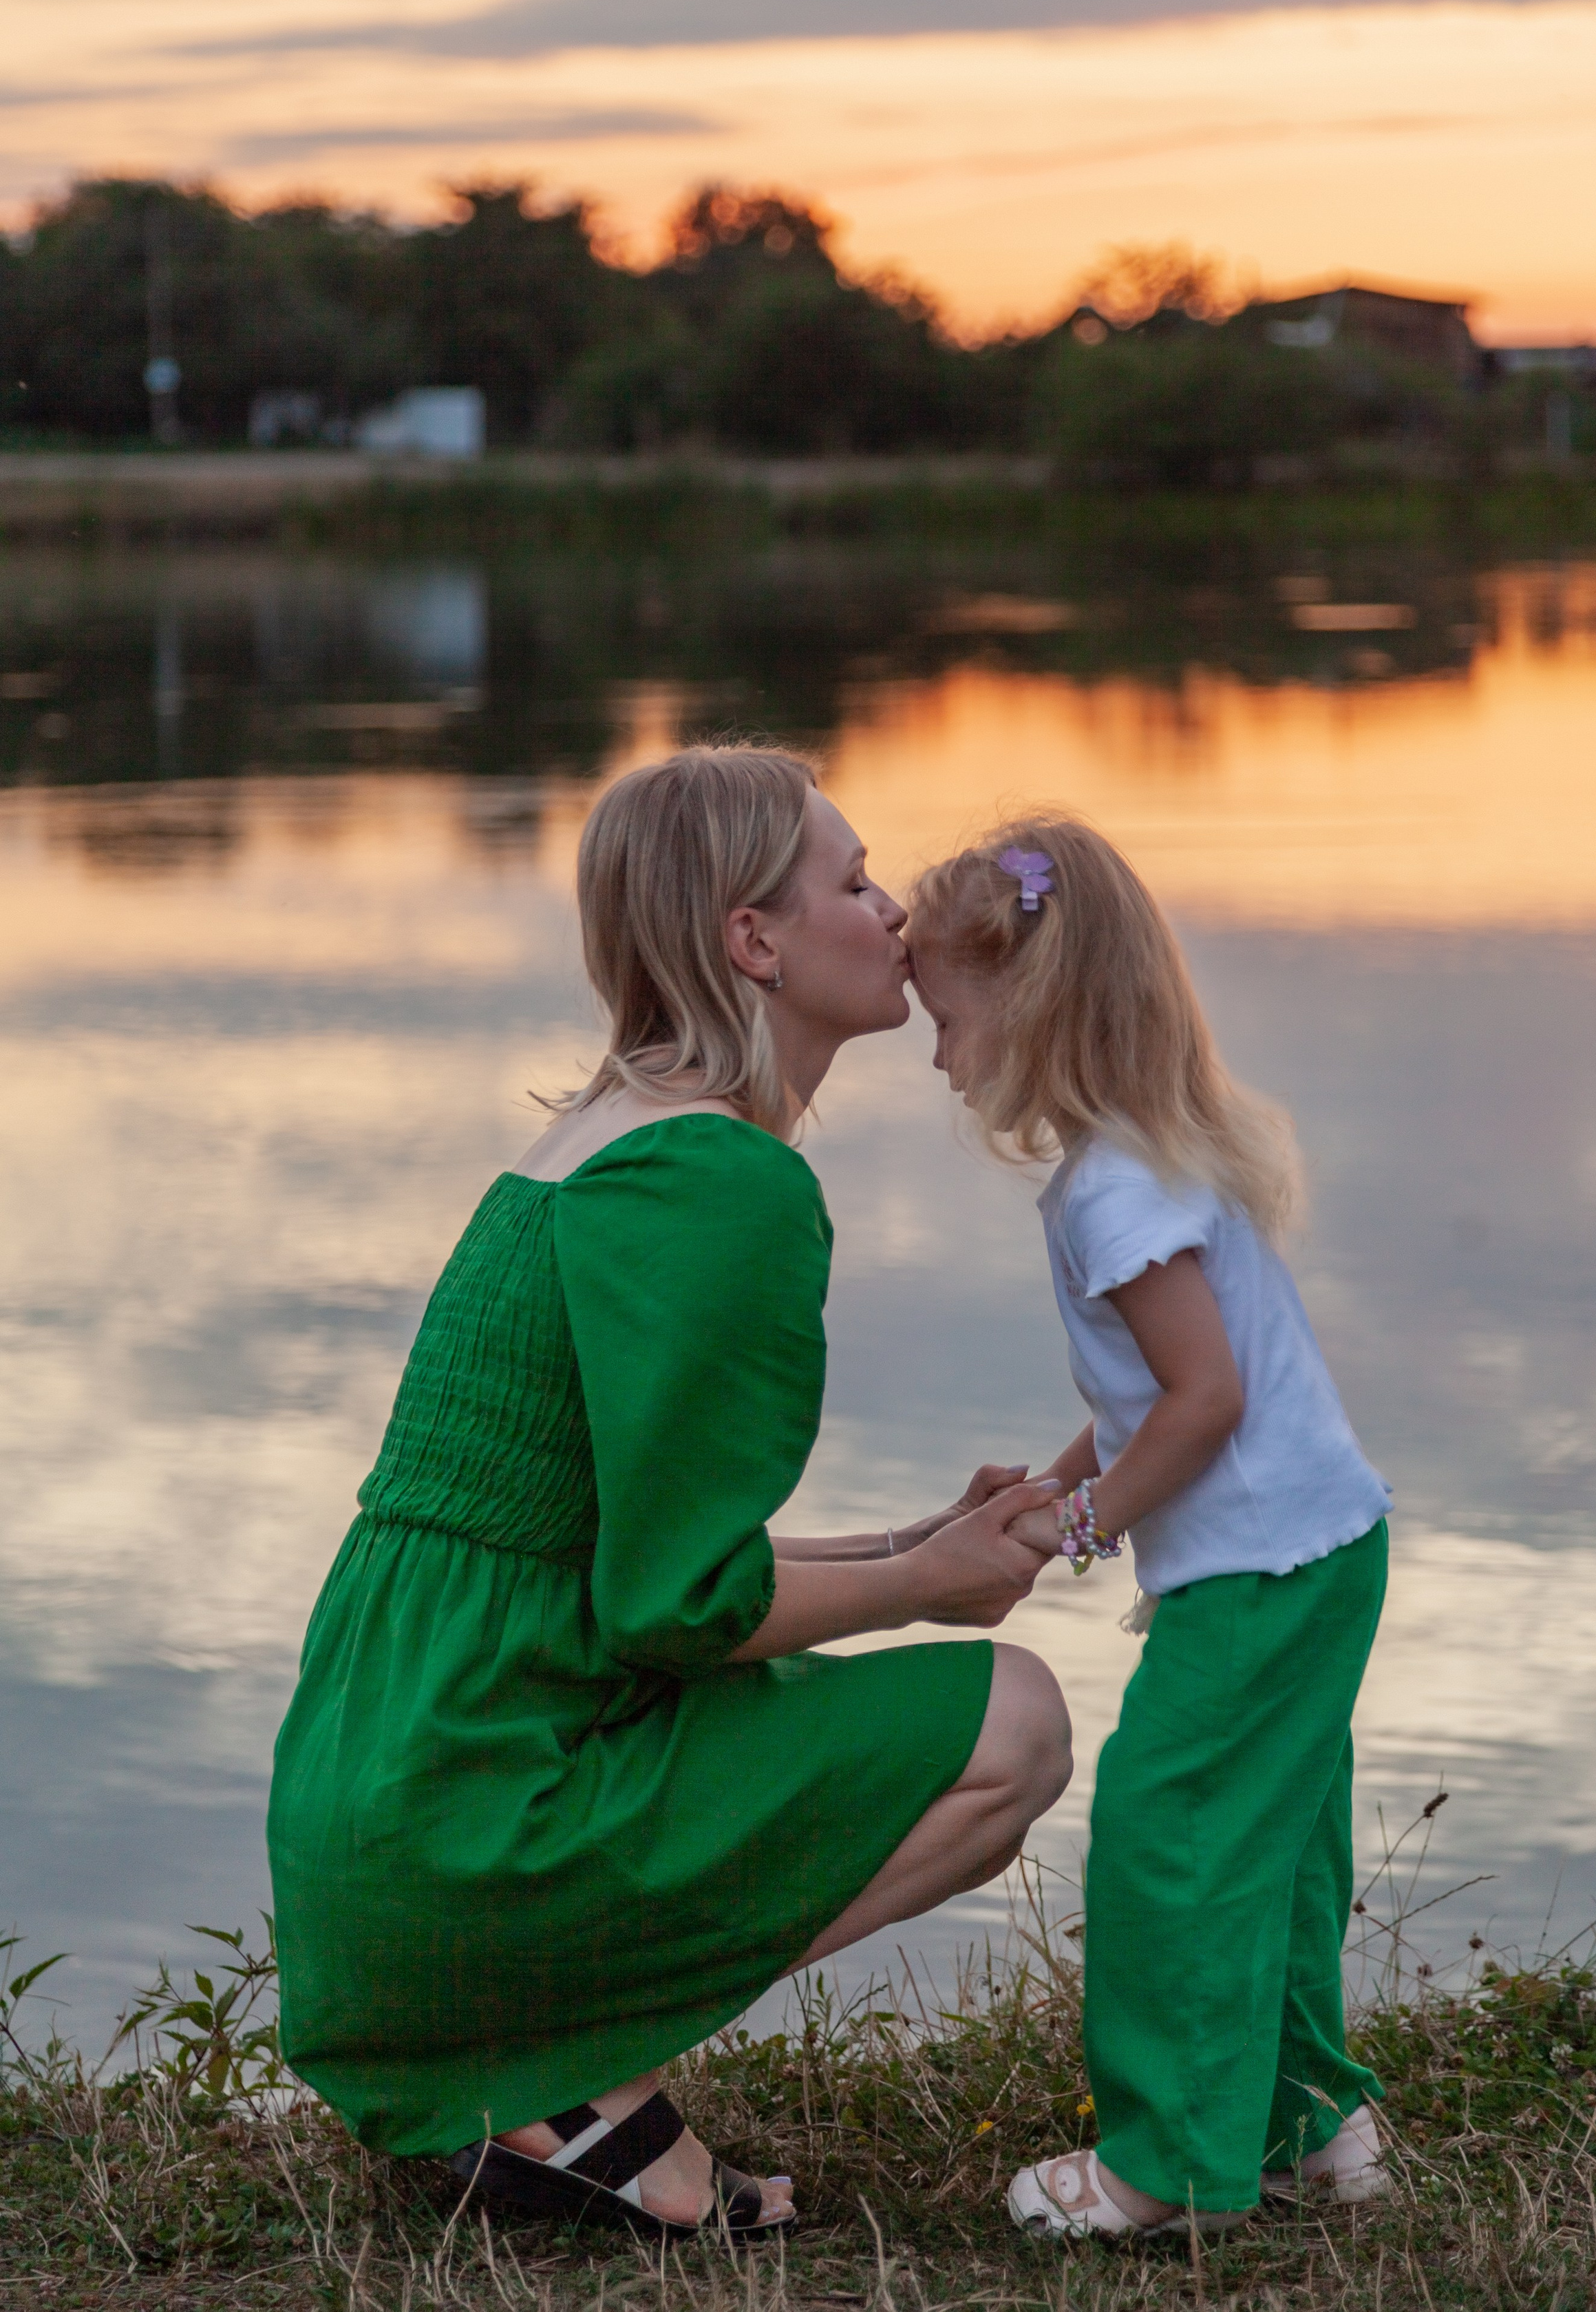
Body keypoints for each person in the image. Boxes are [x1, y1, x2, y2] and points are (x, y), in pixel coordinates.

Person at [267, 745, 1072, 2245]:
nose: (893, 911)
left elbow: (602, 1560)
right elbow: (673, 1607)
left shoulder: (600, 1140)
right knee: (1014, 1722)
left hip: (387, 1817)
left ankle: (549, 2071)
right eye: (853, 880)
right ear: (752, 940)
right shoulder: (722, 1185)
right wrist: (924, 1587)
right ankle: (564, 2075)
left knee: (966, 1695)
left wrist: (912, 1541)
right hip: (474, 1832)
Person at [907, 816, 1392, 2238]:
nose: (937, 1056)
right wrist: (1057, 1488)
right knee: (1274, 1840)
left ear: (1032, 1005)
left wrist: (1080, 1530)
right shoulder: (1140, 1155)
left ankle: (1170, 2167)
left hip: (1259, 1569)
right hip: (1316, 1546)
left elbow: (1203, 1401)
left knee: (1168, 1834)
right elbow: (1153, 1399)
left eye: (946, 1019)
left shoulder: (1116, 1188)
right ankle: (1307, 2123)